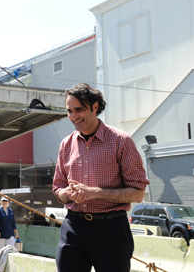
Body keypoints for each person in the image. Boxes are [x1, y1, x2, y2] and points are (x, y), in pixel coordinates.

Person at [52, 83, 149, 272]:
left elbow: (138, 194)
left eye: (78, 110)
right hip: (73, 227)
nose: (73, 116)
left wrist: (94, 193)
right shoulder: (66, 144)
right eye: (69, 111)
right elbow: (57, 189)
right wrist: (68, 194)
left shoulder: (121, 141)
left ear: (95, 106)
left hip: (111, 229)